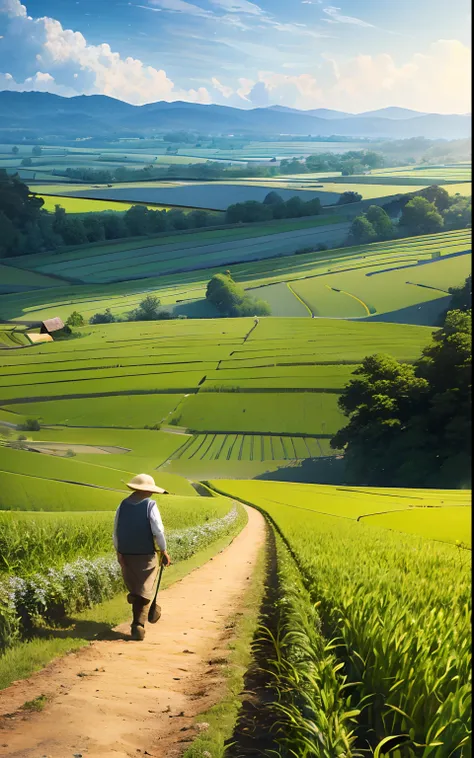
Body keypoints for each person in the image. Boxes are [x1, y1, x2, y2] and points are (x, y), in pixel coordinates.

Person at [113, 474, 172, 641]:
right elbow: (158, 531)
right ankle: (138, 624)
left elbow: (116, 531)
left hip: (126, 554)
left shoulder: (122, 505)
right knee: (145, 590)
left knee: (137, 588)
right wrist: (164, 550)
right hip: (145, 554)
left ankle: (135, 604)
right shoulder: (150, 505)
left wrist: (119, 552)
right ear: (146, 491)